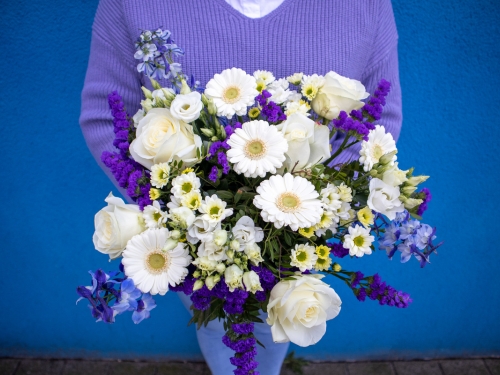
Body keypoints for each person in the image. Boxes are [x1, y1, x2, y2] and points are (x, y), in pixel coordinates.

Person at [80, 0, 402, 373]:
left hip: (305, 233)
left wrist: (315, 213)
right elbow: (106, 117)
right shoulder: (132, 5)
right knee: (221, 334)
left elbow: (380, 121)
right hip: (198, 236)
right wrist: (178, 220)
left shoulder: (365, 6)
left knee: (281, 326)